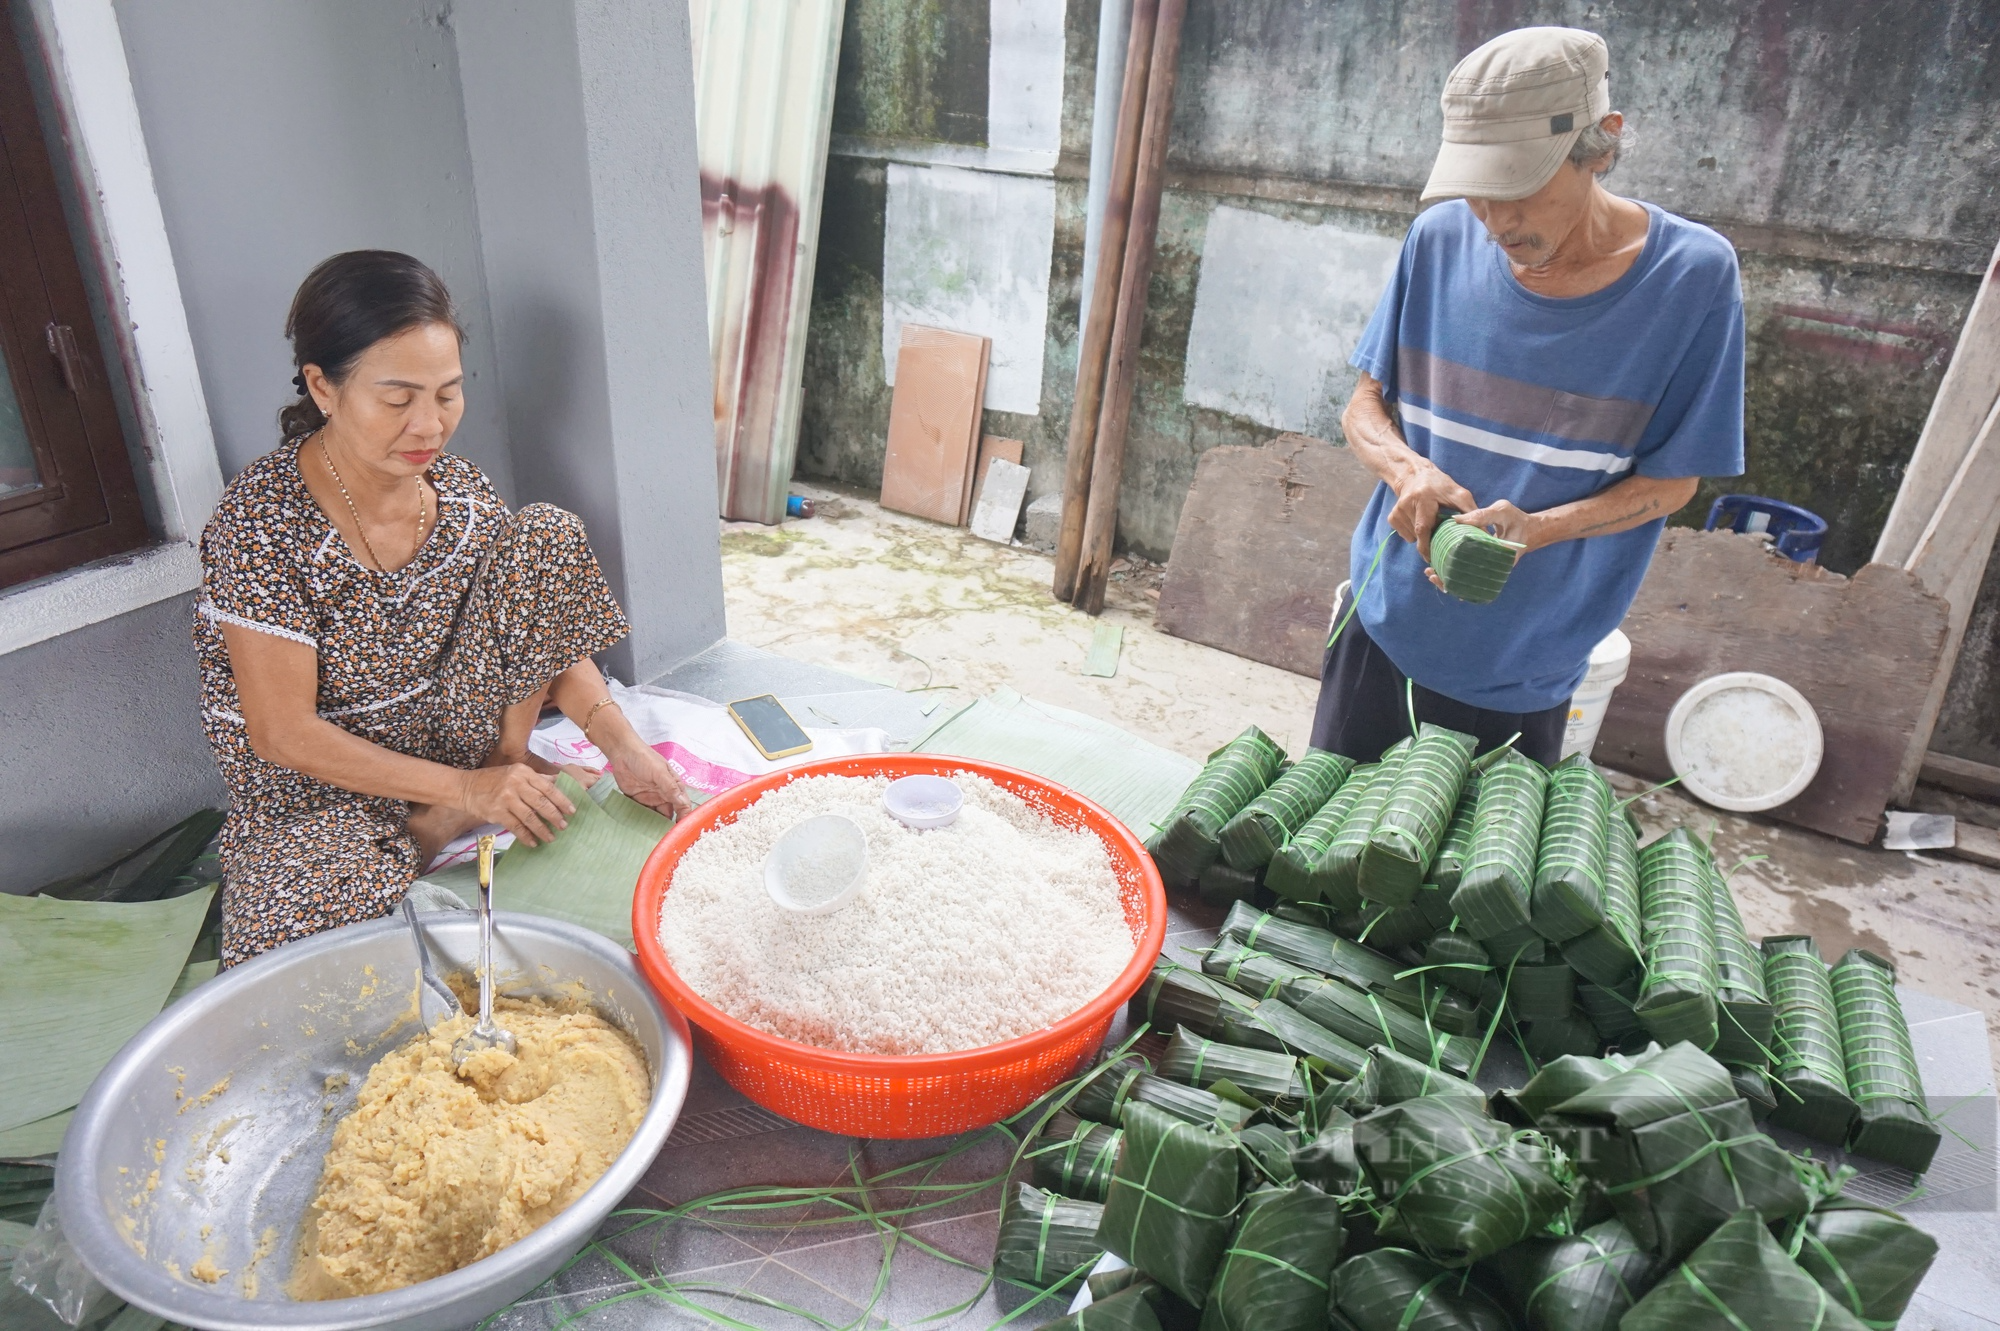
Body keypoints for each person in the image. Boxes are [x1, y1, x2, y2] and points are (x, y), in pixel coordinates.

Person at [194, 250, 693, 967]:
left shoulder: (458, 491)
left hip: (452, 737)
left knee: (545, 534)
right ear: (323, 387)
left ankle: (496, 776)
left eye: (448, 394)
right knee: (286, 941)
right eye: (397, 400)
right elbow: (281, 733)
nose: (428, 425)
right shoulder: (262, 522)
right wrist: (464, 790)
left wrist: (625, 746)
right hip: (323, 790)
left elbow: (539, 623)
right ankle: (440, 819)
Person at [1313, 26, 1745, 767]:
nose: (1496, 220)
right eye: (1478, 192)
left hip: (1526, 666)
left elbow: (1674, 482)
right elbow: (1363, 407)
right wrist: (1406, 471)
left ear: (1602, 146)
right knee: (1316, 861)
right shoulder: (1438, 240)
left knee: (1471, 877)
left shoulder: (1693, 280)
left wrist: (1539, 529)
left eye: (1519, 189)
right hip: (1382, 622)